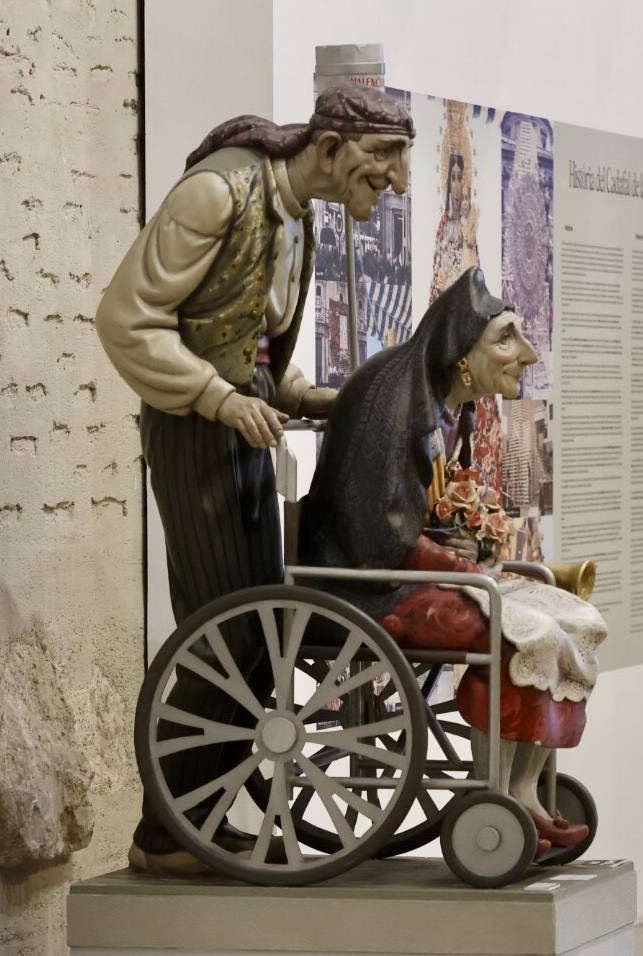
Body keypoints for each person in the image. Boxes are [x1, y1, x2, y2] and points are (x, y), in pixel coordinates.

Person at [95, 82, 413, 877]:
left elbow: (250, 339)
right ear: (333, 149)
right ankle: (164, 833)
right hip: (195, 433)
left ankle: (195, 819)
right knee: (226, 636)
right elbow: (126, 320)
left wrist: (301, 392)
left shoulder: (295, 214)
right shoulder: (216, 194)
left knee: (259, 636)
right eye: (383, 165)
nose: (395, 184)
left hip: (244, 428)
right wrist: (214, 397)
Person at [299, 268, 604, 856]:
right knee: (523, 633)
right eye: (507, 340)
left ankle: (524, 791)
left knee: (576, 620)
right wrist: (462, 567)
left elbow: (414, 513)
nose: (528, 354)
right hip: (367, 588)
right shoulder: (394, 400)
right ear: (462, 353)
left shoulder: (442, 403)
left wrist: (467, 546)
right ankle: (502, 797)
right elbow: (377, 532)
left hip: (404, 571)